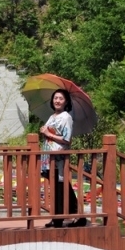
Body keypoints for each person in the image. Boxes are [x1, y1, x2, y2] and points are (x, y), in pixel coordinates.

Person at [39, 89, 86, 228]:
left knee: (61, 186)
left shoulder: (66, 117)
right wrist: (45, 131)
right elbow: (50, 133)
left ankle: (62, 218)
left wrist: (48, 133)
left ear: (66, 102)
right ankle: (63, 217)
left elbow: (67, 139)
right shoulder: (53, 116)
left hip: (58, 157)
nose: (57, 101)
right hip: (49, 157)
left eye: (60, 98)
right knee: (58, 187)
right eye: (55, 98)